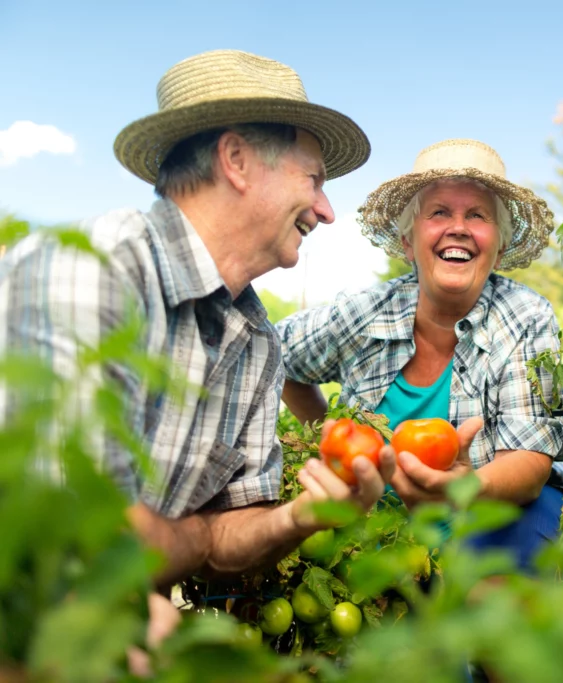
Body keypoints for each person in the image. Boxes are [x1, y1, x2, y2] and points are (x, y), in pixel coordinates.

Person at [0, 49, 392, 588]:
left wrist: (299, 517)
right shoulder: (95, 268)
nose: (326, 210)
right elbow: (70, 534)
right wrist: (194, 538)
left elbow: (229, 532)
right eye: (315, 179)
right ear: (236, 159)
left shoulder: (258, 344)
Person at [278, 138, 563, 572]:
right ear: (408, 242)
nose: (458, 227)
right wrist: (327, 436)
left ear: (498, 245)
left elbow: (529, 462)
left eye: (477, 215)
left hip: (487, 515)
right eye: (439, 212)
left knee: (523, 530)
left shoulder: (524, 316)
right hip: (382, 535)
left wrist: (465, 487)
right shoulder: (366, 312)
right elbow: (276, 352)